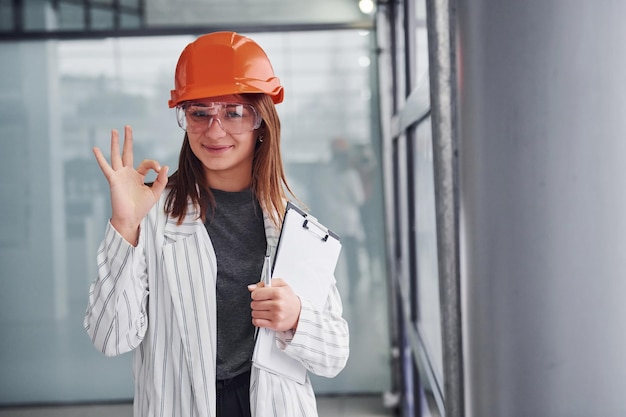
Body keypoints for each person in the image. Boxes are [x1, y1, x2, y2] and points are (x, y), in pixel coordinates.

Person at [83, 31, 350, 417]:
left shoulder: (296, 229)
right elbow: (110, 337)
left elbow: (335, 354)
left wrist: (296, 318)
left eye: (233, 112)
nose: (215, 129)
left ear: (262, 121)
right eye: (199, 112)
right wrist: (125, 225)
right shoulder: (153, 217)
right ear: (185, 117)